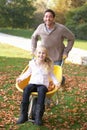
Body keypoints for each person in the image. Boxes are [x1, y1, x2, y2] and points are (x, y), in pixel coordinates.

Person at [16, 45, 60, 125]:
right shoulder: (32, 63)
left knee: (42, 91)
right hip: (33, 83)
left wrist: (56, 82)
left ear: (46, 55)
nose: (41, 55)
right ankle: (23, 115)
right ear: (36, 54)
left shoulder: (47, 65)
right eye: (39, 53)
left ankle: (38, 117)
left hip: (42, 85)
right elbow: (28, 73)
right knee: (26, 89)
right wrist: (21, 78)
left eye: (43, 53)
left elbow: (52, 75)